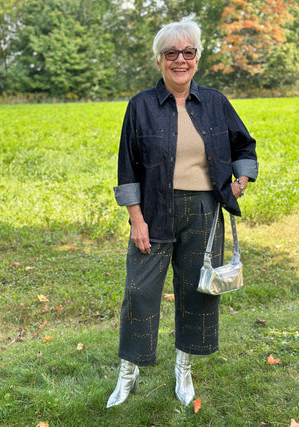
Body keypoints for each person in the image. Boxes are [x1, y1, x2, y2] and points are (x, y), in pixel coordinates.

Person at [106, 15, 258, 408]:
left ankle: (183, 369)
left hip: (205, 212)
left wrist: (239, 182)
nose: (180, 59)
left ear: (197, 58)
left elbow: (245, 146)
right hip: (153, 212)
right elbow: (127, 166)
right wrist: (136, 219)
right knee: (139, 293)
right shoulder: (140, 106)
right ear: (159, 60)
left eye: (188, 52)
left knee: (197, 293)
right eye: (171, 52)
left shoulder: (215, 103)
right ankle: (128, 372)